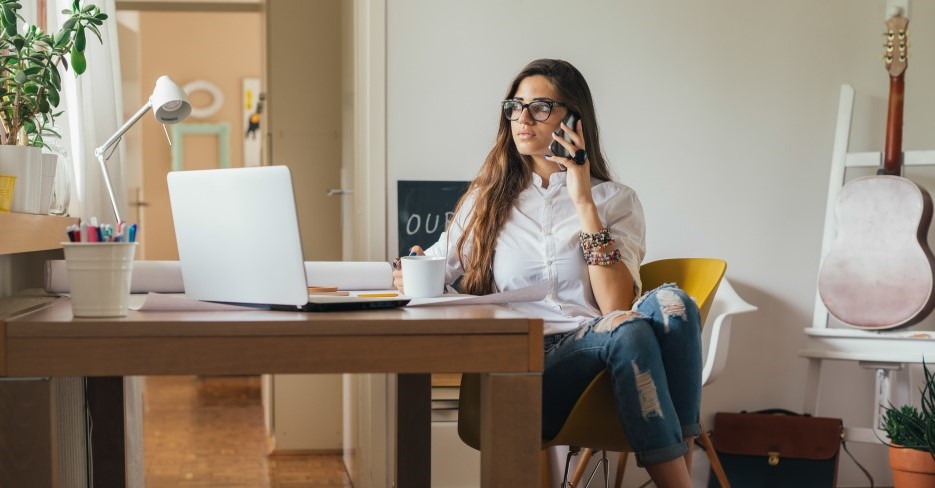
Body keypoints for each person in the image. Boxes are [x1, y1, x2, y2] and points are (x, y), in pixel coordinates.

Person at [393, 58, 701, 488]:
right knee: (629, 330)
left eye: (539, 107)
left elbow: (613, 306)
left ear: (574, 118)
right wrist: (405, 268)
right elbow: (431, 268)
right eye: (515, 107)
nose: (522, 118)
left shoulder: (616, 200)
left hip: (605, 355)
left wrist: (583, 202)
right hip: (528, 364)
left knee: (674, 303)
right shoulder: (486, 201)